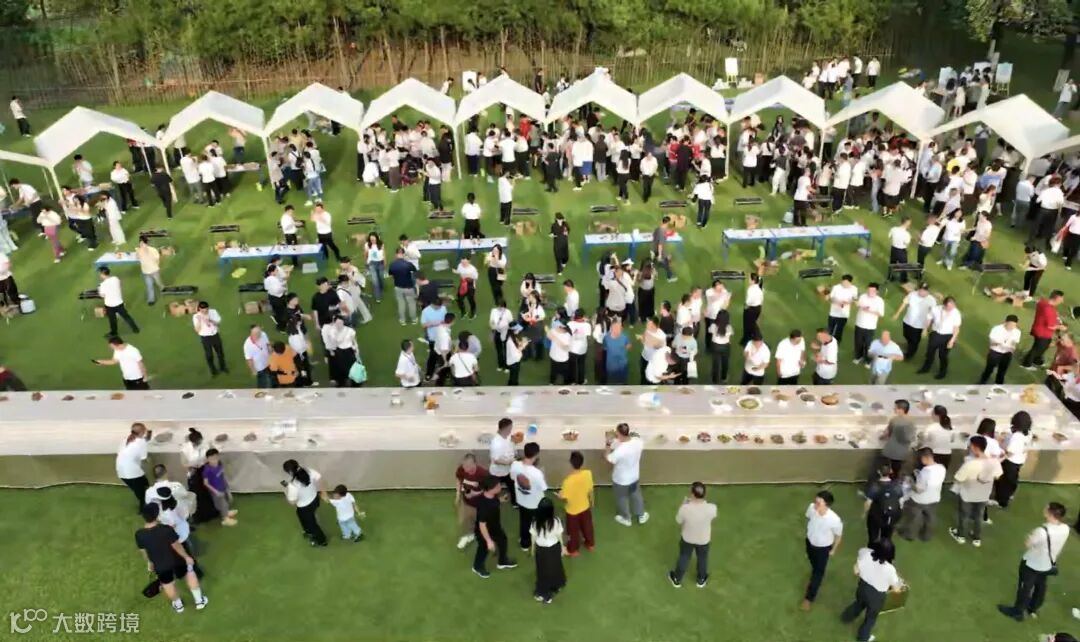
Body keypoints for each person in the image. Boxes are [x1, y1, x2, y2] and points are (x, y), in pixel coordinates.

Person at [997, 502, 1070, 621]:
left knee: (1025, 587)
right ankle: (1033, 608)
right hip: (1047, 564)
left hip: (1032, 563)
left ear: (1050, 513)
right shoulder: (1065, 528)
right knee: (1040, 586)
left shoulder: (1041, 531)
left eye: (1047, 508)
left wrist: (1029, 536)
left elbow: (1028, 544)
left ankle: (1018, 612)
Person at [135, 503, 208, 613]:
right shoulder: (166, 529)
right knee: (189, 574)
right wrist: (186, 557)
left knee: (167, 584)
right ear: (157, 515)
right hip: (176, 559)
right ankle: (199, 601)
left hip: (160, 564)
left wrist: (150, 563)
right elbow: (176, 545)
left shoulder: (139, 534)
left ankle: (178, 606)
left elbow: (144, 551)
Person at [841, 539, 901, 642]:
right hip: (876, 597)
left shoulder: (866, 555)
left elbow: (856, 570)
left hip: (862, 588)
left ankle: (846, 617)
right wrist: (899, 583)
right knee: (871, 617)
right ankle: (863, 637)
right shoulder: (890, 570)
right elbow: (896, 589)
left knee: (858, 604)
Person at [949, 435, 1003, 547]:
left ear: (975, 447)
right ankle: (976, 538)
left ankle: (960, 535)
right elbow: (997, 476)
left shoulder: (970, 464)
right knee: (979, 516)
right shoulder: (994, 462)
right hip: (984, 495)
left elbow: (959, 479)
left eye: (970, 446)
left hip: (967, 495)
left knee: (964, 515)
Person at [667, 481, 717, 589]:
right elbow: (710, 514)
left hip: (688, 538)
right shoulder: (712, 508)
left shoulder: (685, 508)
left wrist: (684, 504)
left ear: (693, 494)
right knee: (702, 558)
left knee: (684, 557)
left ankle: (677, 579)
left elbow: (678, 520)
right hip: (704, 539)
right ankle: (701, 580)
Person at [802, 490, 843, 611]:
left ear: (827, 505)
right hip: (810, 543)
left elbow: (838, 536)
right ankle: (813, 577)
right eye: (816, 501)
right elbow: (809, 517)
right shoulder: (812, 508)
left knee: (818, 574)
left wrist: (833, 550)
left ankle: (809, 598)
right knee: (814, 565)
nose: (815, 505)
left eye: (819, 503)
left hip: (823, 549)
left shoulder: (834, 520)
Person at [472, 475, 517, 578]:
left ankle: (502, 561)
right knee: (483, 549)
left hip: (495, 527)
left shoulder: (492, 496)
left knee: (503, 540)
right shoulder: (484, 506)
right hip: (484, 532)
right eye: (497, 486)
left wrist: (501, 500)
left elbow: (494, 502)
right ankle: (477, 567)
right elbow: (482, 525)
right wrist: (488, 541)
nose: (500, 486)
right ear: (490, 489)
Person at [898, 448, 946, 541]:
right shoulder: (941, 468)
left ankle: (910, 535)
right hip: (935, 498)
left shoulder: (926, 471)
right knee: (930, 517)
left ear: (924, 457)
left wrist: (910, 483)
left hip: (920, 500)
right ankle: (926, 536)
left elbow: (919, 490)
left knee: (914, 517)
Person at [606, 423, 648, 526]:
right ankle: (641, 515)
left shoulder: (620, 451)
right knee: (636, 495)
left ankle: (626, 518)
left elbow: (608, 458)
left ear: (619, 434)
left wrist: (608, 443)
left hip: (621, 480)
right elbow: (635, 437)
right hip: (634, 476)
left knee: (622, 498)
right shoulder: (638, 442)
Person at [511, 442, 548, 550]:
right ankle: (539, 540)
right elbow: (544, 488)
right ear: (536, 455)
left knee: (524, 522)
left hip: (521, 500)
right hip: (535, 504)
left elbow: (513, 477)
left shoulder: (515, 465)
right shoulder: (537, 473)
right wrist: (542, 475)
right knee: (538, 522)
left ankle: (525, 544)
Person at [529, 497, 567, 603]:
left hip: (541, 550)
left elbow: (533, 537)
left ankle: (545, 594)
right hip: (554, 548)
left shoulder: (535, 522)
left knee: (542, 571)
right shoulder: (556, 521)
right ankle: (557, 584)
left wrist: (532, 548)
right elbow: (559, 535)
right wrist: (563, 547)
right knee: (556, 566)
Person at [993, 411, 1033, 511]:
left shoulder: (1017, 436)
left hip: (1010, 462)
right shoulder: (1028, 433)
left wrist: (1000, 459)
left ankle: (1002, 501)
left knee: (1004, 481)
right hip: (1019, 460)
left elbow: (1010, 452)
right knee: (1012, 479)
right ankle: (1009, 494)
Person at [283, 459, 328, 547]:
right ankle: (308, 531)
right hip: (315, 499)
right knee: (304, 518)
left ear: (289, 472)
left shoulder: (292, 486)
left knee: (312, 525)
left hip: (304, 508)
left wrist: (285, 492)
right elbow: (320, 478)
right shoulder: (309, 471)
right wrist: (324, 493)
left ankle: (322, 541)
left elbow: (292, 502)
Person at [559, 451, 595, 556]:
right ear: (582, 463)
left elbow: (563, 497)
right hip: (585, 506)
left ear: (571, 463)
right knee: (587, 527)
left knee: (573, 531)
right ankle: (590, 544)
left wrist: (559, 495)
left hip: (572, 510)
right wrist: (592, 502)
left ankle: (573, 550)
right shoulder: (588, 474)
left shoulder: (567, 481)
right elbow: (590, 490)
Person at [918, 296, 962, 380]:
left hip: (947, 336)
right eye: (949, 306)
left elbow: (956, 328)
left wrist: (952, 340)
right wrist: (925, 329)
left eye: (953, 306)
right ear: (944, 305)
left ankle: (942, 372)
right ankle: (925, 368)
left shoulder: (956, 313)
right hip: (936, 334)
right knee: (930, 352)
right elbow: (929, 318)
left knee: (943, 355)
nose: (951, 308)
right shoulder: (936, 309)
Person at [1021, 291, 1068, 369]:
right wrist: (1061, 327)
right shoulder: (1049, 309)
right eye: (1061, 299)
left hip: (1038, 329)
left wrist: (1056, 318)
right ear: (1057, 299)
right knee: (1037, 349)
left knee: (1043, 347)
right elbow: (1051, 326)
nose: (1062, 301)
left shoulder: (1043, 302)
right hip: (1043, 333)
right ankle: (1026, 364)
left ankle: (1037, 361)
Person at [863, 463, 903, 545]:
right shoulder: (897, 486)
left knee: (873, 536)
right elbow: (901, 502)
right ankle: (885, 548)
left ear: (879, 472)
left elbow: (868, 503)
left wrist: (864, 513)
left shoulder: (875, 486)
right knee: (887, 536)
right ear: (890, 471)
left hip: (876, 516)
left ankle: (873, 548)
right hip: (891, 516)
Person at [454, 454, 487, 549]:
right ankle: (467, 535)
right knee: (465, 520)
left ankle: (480, 536)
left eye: (467, 467)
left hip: (480, 503)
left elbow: (488, 489)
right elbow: (458, 479)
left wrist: (474, 494)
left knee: (480, 522)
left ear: (474, 464)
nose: (465, 470)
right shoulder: (462, 469)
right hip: (467, 502)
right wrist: (458, 494)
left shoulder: (483, 473)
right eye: (464, 467)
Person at [892, 282, 933, 359]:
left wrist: (926, 328)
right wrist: (897, 314)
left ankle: (909, 355)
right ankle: (909, 343)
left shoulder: (931, 300)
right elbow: (904, 303)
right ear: (919, 289)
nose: (923, 292)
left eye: (925, 290)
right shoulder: (912, 294)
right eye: (921, 290)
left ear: (927, 291)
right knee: (906, 335)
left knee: (914, 342)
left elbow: (932, 315)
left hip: (919, 326)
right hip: (907, 321)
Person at [116, 422, 150, 512]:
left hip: (121, 472)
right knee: (142, 492)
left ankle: (145, 503)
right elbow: (144, 459)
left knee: (143, 485)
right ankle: (144, 510)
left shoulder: (125, 440)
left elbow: (123, 453)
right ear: (142, 432)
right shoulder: (142, 442)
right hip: (132, 473)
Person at [979, 315, 1022, 384]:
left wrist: (1012, 349)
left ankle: (998, 384)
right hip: (995, 352)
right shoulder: (996, 329)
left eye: (1014, 325)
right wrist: (1000, 343)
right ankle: (982, 382)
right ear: (1005, 322)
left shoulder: (1017, 332)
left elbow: (1014, 343)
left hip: (1007, 353)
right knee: (989, 369)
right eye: (1010, 324)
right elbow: (992, 343)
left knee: (1002, 371)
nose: (1011, 327)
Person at [98, 266, 140, 336]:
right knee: (126, 316)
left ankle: (114, 332)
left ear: (102, 274)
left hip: (110, 305)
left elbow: (102, 296)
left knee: (112, 320)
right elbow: (118, 285)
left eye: (100, 274)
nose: (99, 275)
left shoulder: (102, 285)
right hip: (119, 303)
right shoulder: (115, 278)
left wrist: (99, 289)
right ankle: (135, 329)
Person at [202, 448, 238, 526]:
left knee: (227, 501)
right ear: (207, 459)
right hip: (216, 491)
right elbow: (206, 483)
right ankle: (225, 519)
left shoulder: (220, 464)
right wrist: (215, 491)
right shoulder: (207, 470)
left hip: (223, 487)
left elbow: (222, 476)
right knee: (222, 504)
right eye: (211, 458)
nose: (214, 460)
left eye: (216, 458)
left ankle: (227, 512)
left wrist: (227, 487)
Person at [852, 283, 884, 365]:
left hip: (870, 327)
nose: (870, 292)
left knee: (868, 345)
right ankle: (858, 357)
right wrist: (859, 305)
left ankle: (868, 361)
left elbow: (881, 314)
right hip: (859, 324)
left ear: (877, 291)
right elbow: (858, 305)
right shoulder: (863, 296)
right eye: (869, 290)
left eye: (872, 290)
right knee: (858, 343)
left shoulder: (880, 301)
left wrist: (870, 311)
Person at [489, 418, 516, 504]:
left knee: (512, 486)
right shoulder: (496, 443)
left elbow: (509, 446)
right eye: (510, 428)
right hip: (497, 473)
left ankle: (514, 502)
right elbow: (496, 460)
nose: (511, 430)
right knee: (494, 489)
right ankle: (493, 503)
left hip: (507, 471)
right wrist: (510, 462)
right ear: (505, 429)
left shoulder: (507, 436)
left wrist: (513, 442)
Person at [826, 275, 857, 343]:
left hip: (844, 314)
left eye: (846, 283)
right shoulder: (836, 287)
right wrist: (837, 302)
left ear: (850, 282)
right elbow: (831, 298)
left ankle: (836, 343)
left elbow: (854, 300)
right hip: (833, 313)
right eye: (843, 282)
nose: (844, 284)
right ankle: (827, 342)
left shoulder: (854, 289)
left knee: (839, 331)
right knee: (830, 329)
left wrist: (847, 302)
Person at [135, 236, 164, 305]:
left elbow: (157, 258)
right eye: (140, 243)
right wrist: (138, 252)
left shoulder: (152, 250)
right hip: (146, 272)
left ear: (146, 243)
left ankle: (162, 288)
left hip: (154, 270)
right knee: (149, 285)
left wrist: (147, 253)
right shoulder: (139, 250)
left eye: (142, 243)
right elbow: (137, 258)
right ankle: (151, 300)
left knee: (158, 282)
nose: (141, 244)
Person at [243, 324, 273, 389]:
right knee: (262, 383)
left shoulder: (263, 334)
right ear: (252, 334)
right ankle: (261, 392)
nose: (260, 334)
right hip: (260, 368)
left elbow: (268, 343)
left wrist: (270, 349)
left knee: (272, 378)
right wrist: (253, 370)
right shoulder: (247, 345)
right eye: (257, 333)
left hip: (269, 362)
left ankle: (272, 390)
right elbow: (249, 359)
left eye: (260, 332)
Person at [741, 273, 763, 345]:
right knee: (753, 323)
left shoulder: (751, 289)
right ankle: (752, 337)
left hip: (751, 309)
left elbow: (748, 301)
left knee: (747, 325)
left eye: (749, 279)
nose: (748, 280)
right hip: (758, 308)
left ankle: (746, 340)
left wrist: (746, 306)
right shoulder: (759, 288)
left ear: (753, 281)